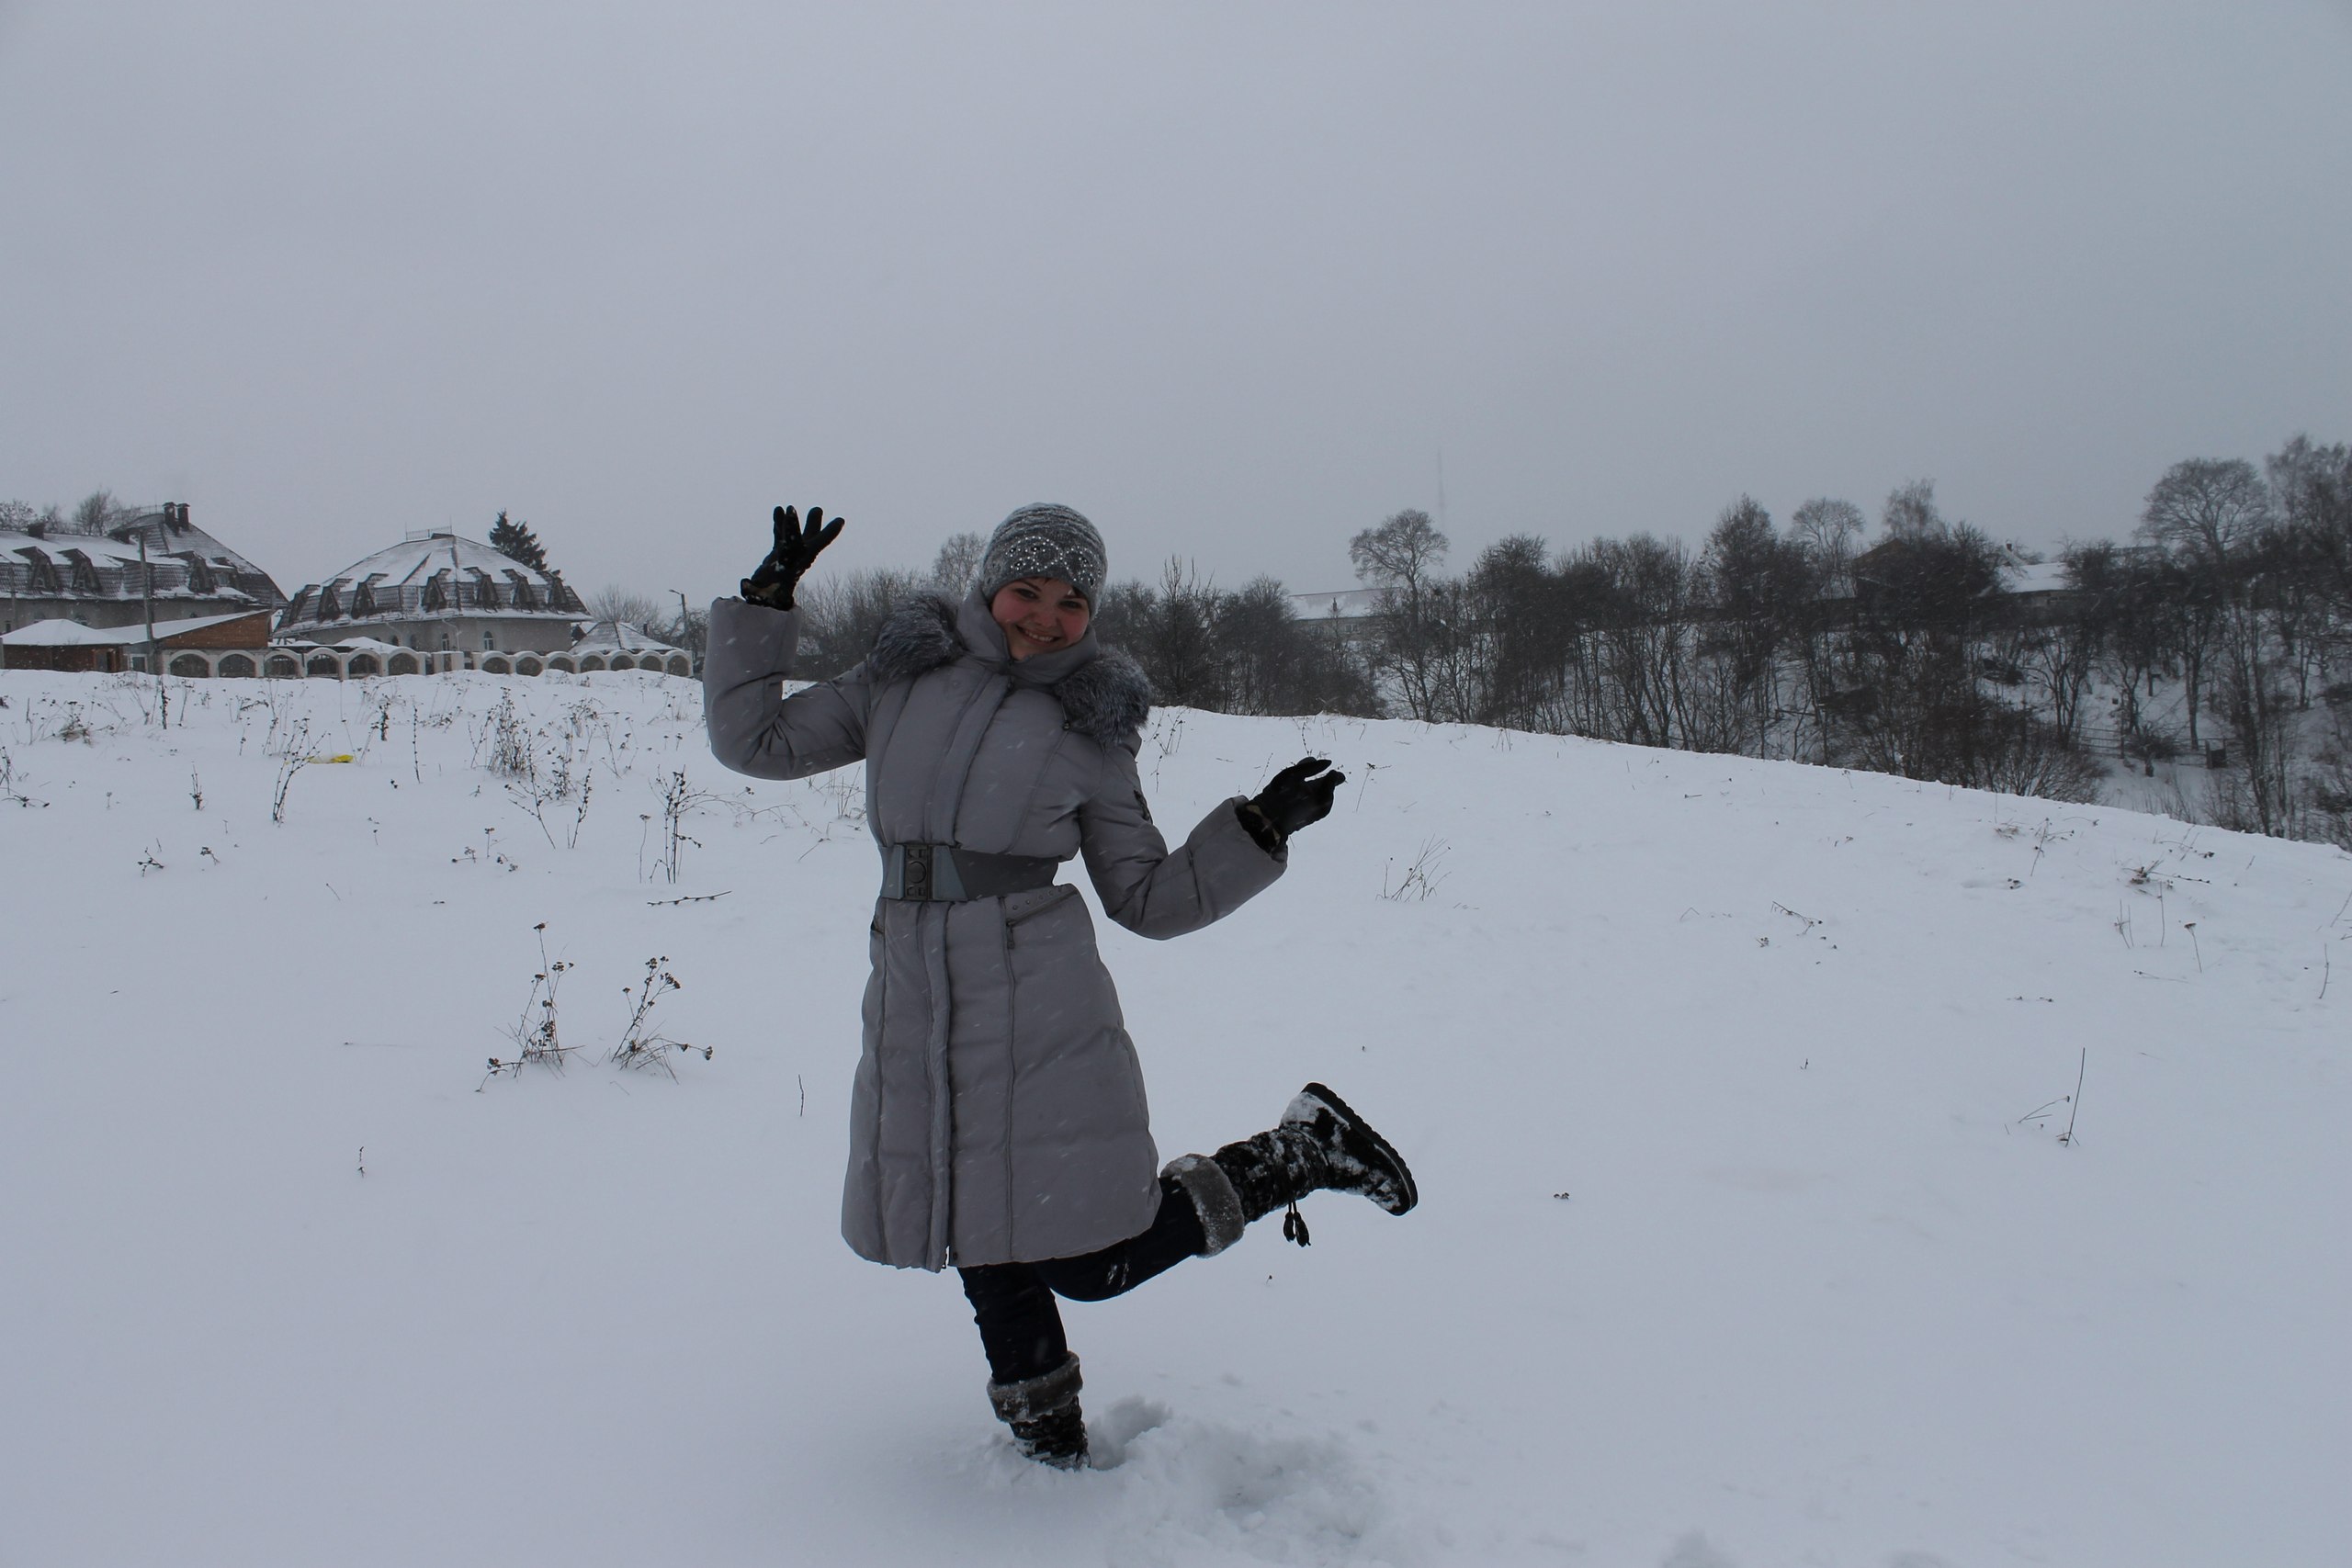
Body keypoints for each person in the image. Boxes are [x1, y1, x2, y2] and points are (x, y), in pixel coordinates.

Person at [704, 502, 1418, 1468]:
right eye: (1027, 591)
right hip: (914, 987)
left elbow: (1147, 897)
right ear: (988, 585)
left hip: (1038, 1004)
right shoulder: (899, 676)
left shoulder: (1091, 727)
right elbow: (756, 742)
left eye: (1071, 601)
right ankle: (1049, 1442)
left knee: (1093, 1259)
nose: (1046, 616)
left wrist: (1256, 828)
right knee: (974, 1227)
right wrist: (763, 609)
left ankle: (1295, 1154)